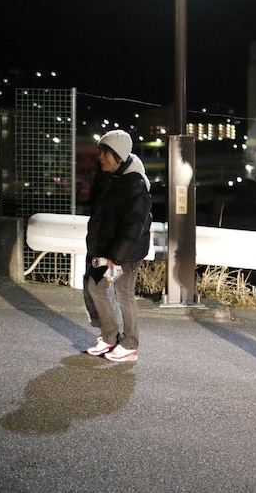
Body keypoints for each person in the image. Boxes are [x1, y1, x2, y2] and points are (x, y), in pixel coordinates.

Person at [84, 129, 152, 363]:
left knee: (123, 293)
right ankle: (111, 337)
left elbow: (134, 225)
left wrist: (117, 257)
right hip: (109, 251)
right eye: (100, 151)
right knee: (97, 287)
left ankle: (130, 345)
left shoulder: (135, 184)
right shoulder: (110, 179)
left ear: (119, 156)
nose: (100, 157)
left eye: (105, 153)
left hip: (125, 255)